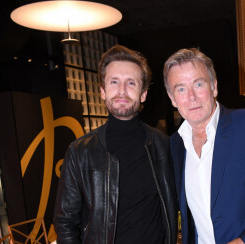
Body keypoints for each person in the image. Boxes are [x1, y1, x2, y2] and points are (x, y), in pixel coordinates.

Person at [163, 47, 245, 244]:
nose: (191, 96)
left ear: (214, 86)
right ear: (172, 98)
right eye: (180, 89)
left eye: (198, 84)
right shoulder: (176, 143)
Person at [54, 44, 177, 244]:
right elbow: (65, 222)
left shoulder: (164, 146)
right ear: (102, 91)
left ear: (143, 93)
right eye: (114, 82)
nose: (122, 91)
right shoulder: (80, 151)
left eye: (131, 83)